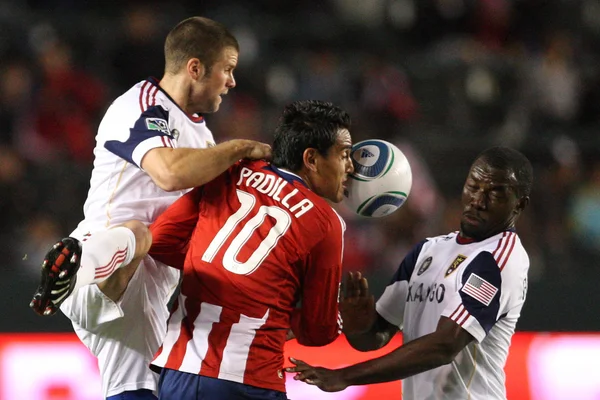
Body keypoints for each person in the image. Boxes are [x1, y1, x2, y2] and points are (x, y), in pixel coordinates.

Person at [29, 16, 271, 400]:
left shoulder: (203, 139)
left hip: (151, 294)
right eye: (227, 69)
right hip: (108, 255)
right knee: (141, 234)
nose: (232, 81)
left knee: (135, 390)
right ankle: (80, 268)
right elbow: (168, 173)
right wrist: (239, 148)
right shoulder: (140, 105)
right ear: (195, 67)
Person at [287, 146, 533, 400]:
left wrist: (344, 376)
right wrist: (358, 325)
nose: (478, 201)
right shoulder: (427, 251)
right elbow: (375, 338)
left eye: (495, 193)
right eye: (473, 187)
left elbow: (446, 345)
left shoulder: (500, 257)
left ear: (519, 204)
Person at [147, 100, 353, 400]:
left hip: (178, 370)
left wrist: (211, 264)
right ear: (311, 159)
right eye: (344, 155)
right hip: (248, 378)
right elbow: (320, 330)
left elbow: (161, 240)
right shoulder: (326, 222)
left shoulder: (232, 171)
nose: (350, 167)